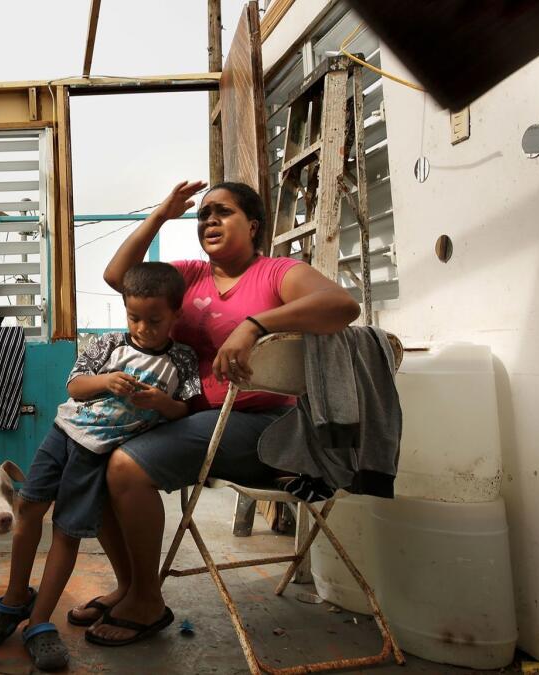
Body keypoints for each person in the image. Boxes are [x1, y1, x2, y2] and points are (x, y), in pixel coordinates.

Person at [79, 180, 362, 647]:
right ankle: (130, 586)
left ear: (252, 225)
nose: (208, 220)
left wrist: (255, 325)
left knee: (125, 467)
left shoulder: (276, 273)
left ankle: (148, 601)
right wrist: (162, 214)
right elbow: (119, 277)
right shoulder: (188, 276)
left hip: (262, 427)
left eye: (222, 212)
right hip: (189, 419)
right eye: (202, 214)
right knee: (95, 455)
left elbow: (342, 305)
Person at [0, 262, 204, 670]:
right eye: (134, 317)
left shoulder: (182, 361)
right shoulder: (110, 343)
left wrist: (160, 403)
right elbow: (74, 386)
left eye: (155, 320)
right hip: (63, 434)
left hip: (97, 452)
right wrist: (107, 381)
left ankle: (40, 622)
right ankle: (14, 599)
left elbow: (185, 410)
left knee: (68, 531)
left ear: (176, 314)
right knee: (29, 509)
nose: (142, 328)